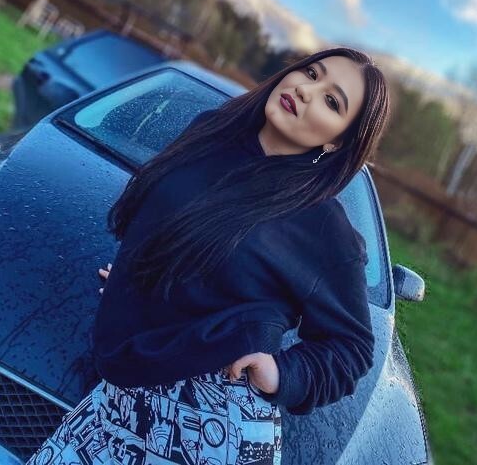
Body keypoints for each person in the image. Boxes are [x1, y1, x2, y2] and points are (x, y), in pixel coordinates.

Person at [25, 46, 391, 465]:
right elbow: (157, 224)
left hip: (214, 425)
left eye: (331, 101)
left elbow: (352, 348)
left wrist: (283, 374)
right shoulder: (208, 133)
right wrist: (136, 282)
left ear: (336, 140)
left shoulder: (323, 226)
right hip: (120, 392)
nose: (307, 91)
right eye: (311, 73)